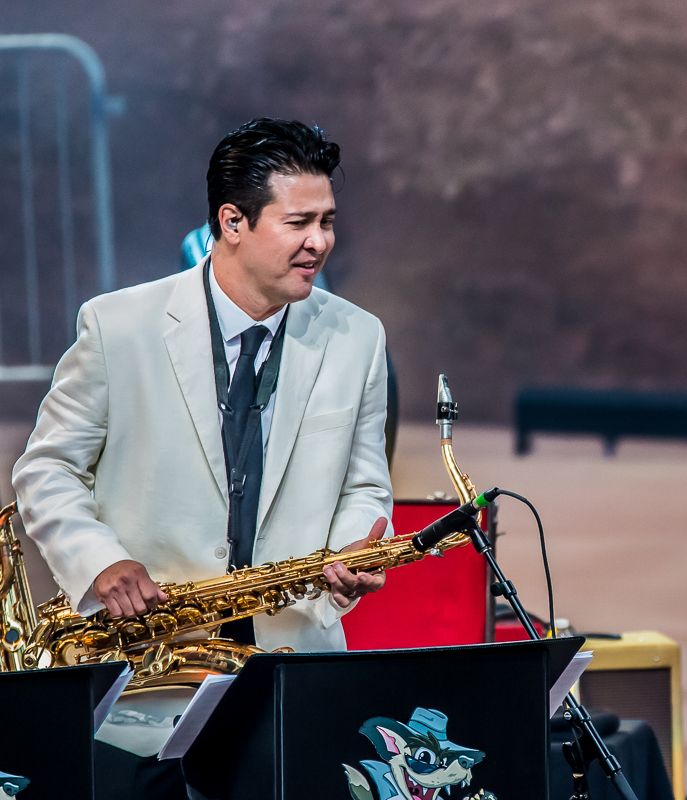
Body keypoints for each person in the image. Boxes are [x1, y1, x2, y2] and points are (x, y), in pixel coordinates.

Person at [12, 118, 393, 799]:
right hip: (147, 660)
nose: (320, 242)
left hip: (291, 660)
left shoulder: (359, 336)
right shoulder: (117, 325)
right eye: (299, 222)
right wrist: (101, 562)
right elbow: (46, 469)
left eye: (328, 222)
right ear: (232, 222)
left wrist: (348, 551)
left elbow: (365, 485)